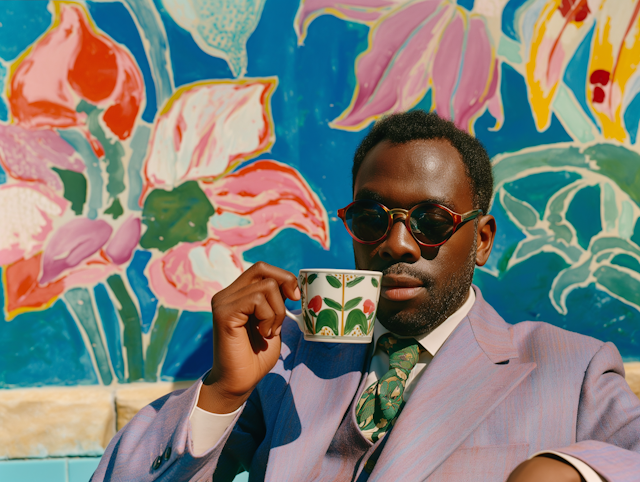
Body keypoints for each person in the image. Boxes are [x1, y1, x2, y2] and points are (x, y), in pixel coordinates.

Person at [92, 111, 640, 481]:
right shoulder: (282, 355)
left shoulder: (568, 370)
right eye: (372, 218)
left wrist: (573, 470)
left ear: (482, 240)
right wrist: (222, 391)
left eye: (431, 220)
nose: (397, 244)